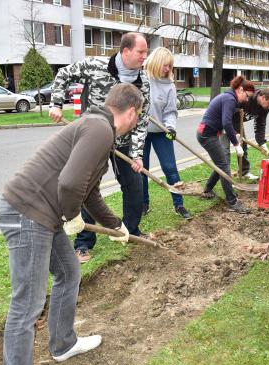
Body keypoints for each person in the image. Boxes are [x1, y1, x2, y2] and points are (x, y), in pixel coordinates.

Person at [0, 83, 144, 365]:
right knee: (27, 305)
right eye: (137, 118)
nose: (136, 123)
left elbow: (88, 190)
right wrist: (72, 215)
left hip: (41, 215)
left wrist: (116, 225)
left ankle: (63, 344)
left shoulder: (96, 127)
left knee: (68, 272)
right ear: (131, 113)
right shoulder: (100, 130)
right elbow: (69, 184)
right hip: (26, 213)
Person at [49, 32, 149, 264]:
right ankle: (84, 243)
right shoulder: (95, 65)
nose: (145, 56)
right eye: (141, 52)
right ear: (125, 51)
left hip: (123, 144)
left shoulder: (143, 82)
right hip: (92, 140)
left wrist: (137, 154)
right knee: (86, 190)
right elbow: (64, 74)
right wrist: (56, 103)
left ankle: (130, 232)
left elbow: (142, 119)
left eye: (146, 52)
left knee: (134, 188)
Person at [142, 47, 192, 219]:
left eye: (170, 66)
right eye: (165, 65)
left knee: (170, 168)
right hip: (140, 132)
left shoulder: (169, 85)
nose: (168, 70)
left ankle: (179, 205)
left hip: (161, 132)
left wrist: (170, 127)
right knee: (142, 169)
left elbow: (170, 111)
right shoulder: (141, 79)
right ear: (156, 62)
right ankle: (143, 204)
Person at [197, 76, 254, 214]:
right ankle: (232, 201)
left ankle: (207, 190)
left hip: (208, 134)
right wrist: (236, 144)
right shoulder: (229, 99)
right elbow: (226, 123)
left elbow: (224, 122)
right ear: (240, 90)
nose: (246, 100)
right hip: (206, 135)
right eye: (247, 96)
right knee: (224, 166)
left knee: (220, 163)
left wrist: (235, 134)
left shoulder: (229, 97)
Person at [221, 87, 269, 180]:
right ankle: (225, 178)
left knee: (243, 147)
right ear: (263, 97)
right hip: (224, 122)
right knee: (224, 152)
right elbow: (227, 110)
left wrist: (262, 143)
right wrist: (234, 134)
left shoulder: (264, 109)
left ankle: (243, 172)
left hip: (237, 124)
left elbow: (260, 125)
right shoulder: (246, 98)